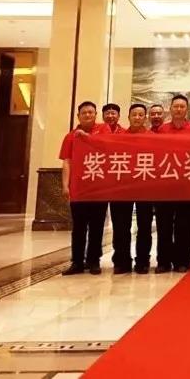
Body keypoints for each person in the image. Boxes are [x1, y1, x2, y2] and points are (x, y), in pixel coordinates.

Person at [154, 94, 190, 273]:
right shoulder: (162, 130)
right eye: (176, 106)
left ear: (187, 110)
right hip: (165, 186)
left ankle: (183, 260)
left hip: (188, 186)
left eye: (182, 106)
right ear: (170, 108)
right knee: (164, 225)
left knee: (185, 225)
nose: (179, 109)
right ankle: (163, 261)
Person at [60, 101, 107, 276]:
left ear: (95, 115)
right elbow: (67, 162)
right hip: (79, 189)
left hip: (99, 188)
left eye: (91, 112)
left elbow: (108, 148)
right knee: (79, 228)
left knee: (97, 227)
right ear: (78, 116)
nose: (88, 115)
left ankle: (94, 261)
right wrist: (65, 185)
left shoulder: (104, 130)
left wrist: (86, 137)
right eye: (84, 112)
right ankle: (77, 262)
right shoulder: (70, 137)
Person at [109, 103, 156, 274]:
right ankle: (122, 261)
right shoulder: (118, 137)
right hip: (121, 188)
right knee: (121, 226)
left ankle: (142, 261)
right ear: (128, 117)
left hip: (145, 188)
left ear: (145, 118)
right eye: (134, 115)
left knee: (144, 226)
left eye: (140, 115)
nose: (137, 118)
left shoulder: (154, 138)